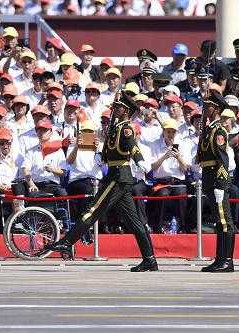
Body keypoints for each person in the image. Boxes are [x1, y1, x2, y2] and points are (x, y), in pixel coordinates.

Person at [44, 90, 158, 272]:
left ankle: (67, 242)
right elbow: (109, 153)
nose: (114, 111)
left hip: (119, 177)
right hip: (116, 176)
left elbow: (131, 147)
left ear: (126, 111)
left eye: (118, 108)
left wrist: (140, 161)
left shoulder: (125, 128)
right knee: (134, 222)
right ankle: (150, 259)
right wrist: (100, 156)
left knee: (93, 209)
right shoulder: (115, 128)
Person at [196, 89, 235, 273]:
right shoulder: (209, 129)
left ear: (216, 109)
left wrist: (220, 184)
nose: (205, 108)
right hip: (209, 176)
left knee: (225, 221)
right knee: (219, 221)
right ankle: (220, 258)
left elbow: (222, 160)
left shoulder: (218, 130)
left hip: (216, 179)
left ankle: (227, 260)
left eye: (208, 106)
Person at [150, 119, 190, 233]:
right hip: (162, 182)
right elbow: (153, 167)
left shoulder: (183, 145)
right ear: (164, 131)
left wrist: (178, 158)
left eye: (173, 132)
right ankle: (157, 227)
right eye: (168, 131)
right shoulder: (155, 145)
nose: (170, 134)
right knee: (162, 195)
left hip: (177, 182)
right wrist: (164, 157)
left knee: (181, 194)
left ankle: (182, 227)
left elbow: (185, 168)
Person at [21, 119, 67, 198]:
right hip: (37, 185)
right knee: (33, 195)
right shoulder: (31, 151)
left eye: (45, 130)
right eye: (39, 130)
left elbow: (63, 172)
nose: (42, 133)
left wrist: (52, 170)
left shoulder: (58, 151)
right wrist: (32, 185)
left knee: (64, 196)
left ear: (51, 133)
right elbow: (25, 169)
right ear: (36, 133)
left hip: (54, 185)